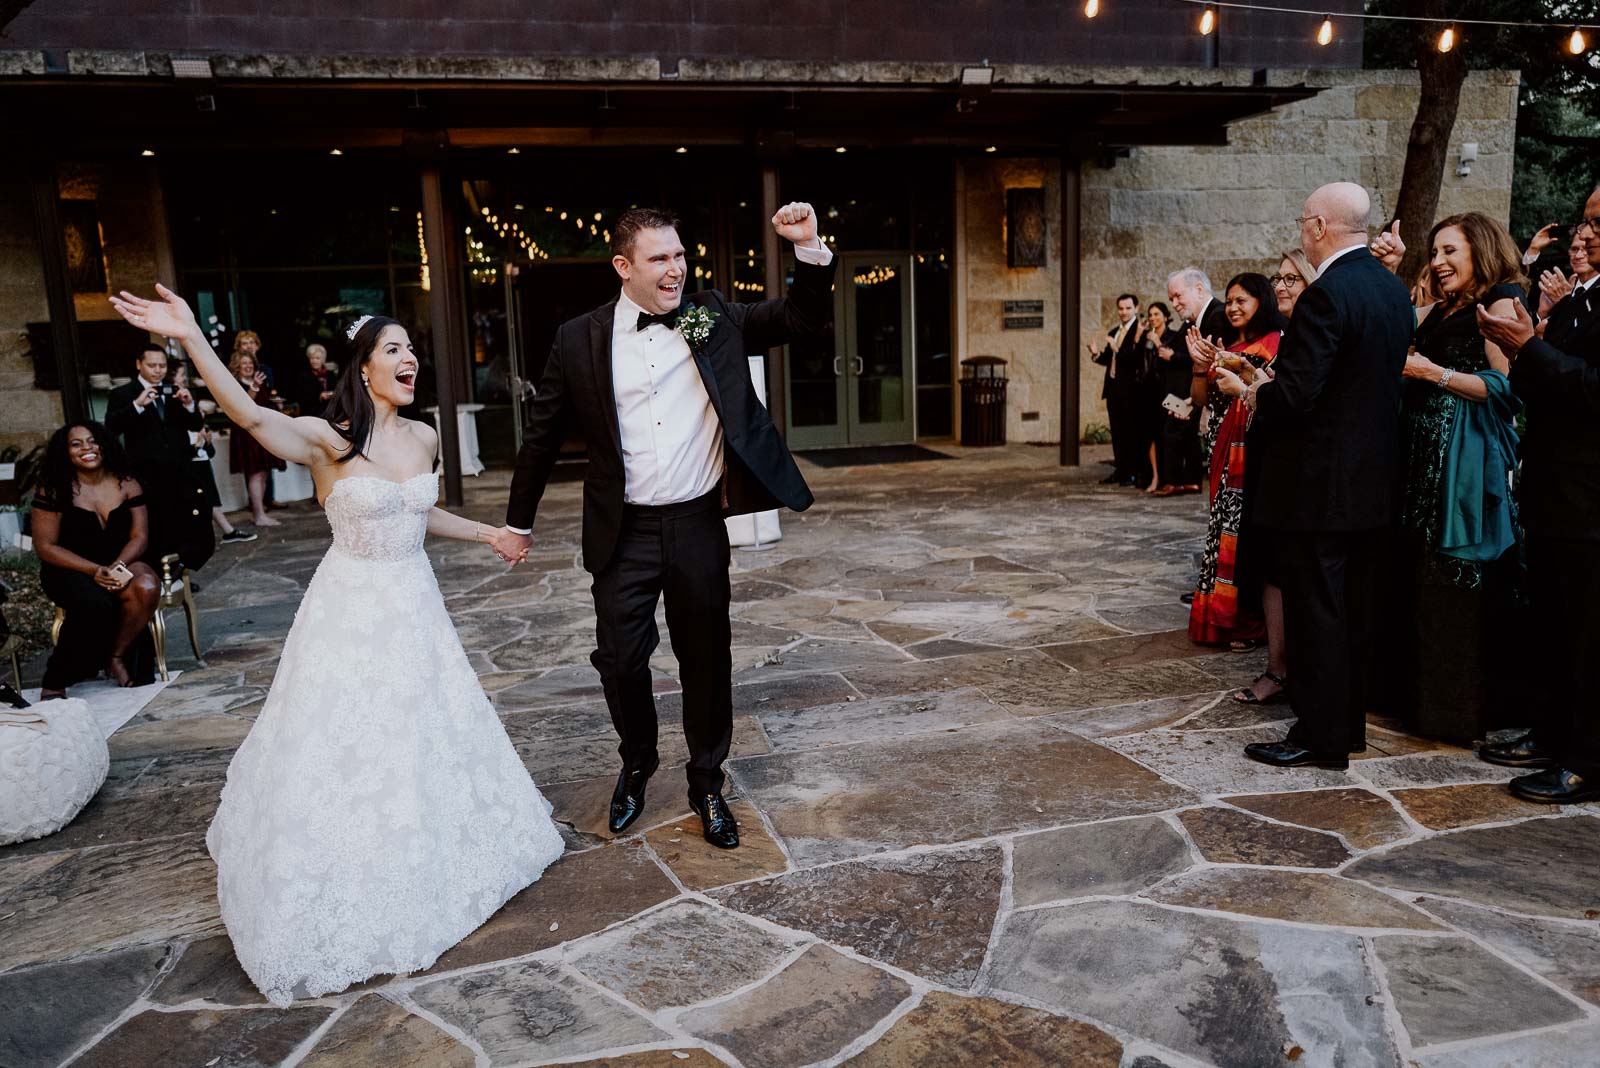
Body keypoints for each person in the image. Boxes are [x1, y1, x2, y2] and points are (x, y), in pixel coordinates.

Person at [108, 285, 564, 1005]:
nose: (410, 358)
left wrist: (489, 534)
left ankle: (430, 853)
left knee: (422, 733)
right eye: (394, 349)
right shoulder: (328, 438)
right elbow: (249, 414)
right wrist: (191, 338)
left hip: (414, 603)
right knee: (342, 741)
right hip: (349, 608)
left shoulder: (424, 437)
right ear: (365, 366)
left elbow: (423, 513)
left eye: (412, 349)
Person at [490, 203, 832, 850]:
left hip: (698, 522)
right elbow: (540, 438)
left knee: (706, 659)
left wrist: (808, 247)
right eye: (659, 259)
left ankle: (707, 781)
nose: (675, 269)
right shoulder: (577, 339)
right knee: (619, 660)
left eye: (679, 255)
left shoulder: (712, 316)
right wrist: (518, 523)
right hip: (623, 531)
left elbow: (801, 317)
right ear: (624, 267)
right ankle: (638, 759)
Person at [1242, 182, 1413, 770]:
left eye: (1301, 223)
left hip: (1317, 488)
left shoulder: (1325, 296)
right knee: (1355, 613)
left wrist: (1260, 389)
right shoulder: (1392, 290)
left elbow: (1296, 395)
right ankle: (1347, 727)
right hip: (1373, 481)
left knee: (1317, 614)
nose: (1300, 234)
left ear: (1317, 226)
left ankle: (1320, 736)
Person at [1368, 213, 1527, 744]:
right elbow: (1390, 320)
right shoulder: (1442, 308)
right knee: (1416, 574)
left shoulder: (1500, 301)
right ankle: (1410, 700)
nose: (1437, 262)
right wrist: (1388, 270)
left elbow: (1504, 389)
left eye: (1449, 251)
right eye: (1433, 252)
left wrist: (1428, 373)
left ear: (1479, 251)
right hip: (1418, 461)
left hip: (1460, 465)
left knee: (1453, 580)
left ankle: (1454, 711)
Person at [1475, 183, 1600, 803]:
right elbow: (1543, 384)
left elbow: (1592, 388)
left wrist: (1531, 347)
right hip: (1553, 487)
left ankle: (1588, 758)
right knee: (1553, 623)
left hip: (1592, 496)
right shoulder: (1581, 299)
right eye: (1586, 220)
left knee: (1588, 634)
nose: (1588, 233)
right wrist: (1523, 346)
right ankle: (1552, 733)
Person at [1232, 250, 1317, 705]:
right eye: (1279, 278)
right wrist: (1252, 375)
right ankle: (1278, 666)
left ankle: (1285, 670)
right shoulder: (1291, 336)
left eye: (1293, 279)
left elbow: (1293, 398)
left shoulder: (1307, 333)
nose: (1282, 287)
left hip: (1298, 466)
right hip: (1272, 462)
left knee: (1286, 570)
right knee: (1271, 568)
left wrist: (1249, 387)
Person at [1188, 273, 1286, 649]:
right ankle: (1221, 617)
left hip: (1253, 451)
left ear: (1262, 302)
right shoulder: (1231, 345)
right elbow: (1202, 399)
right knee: (1222, 531)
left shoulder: (1274, 344)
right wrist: (1200, 366)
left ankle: (1247, 621)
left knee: (1243, 537)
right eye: (1228, 301)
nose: (1232, 308)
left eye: (1241, 300)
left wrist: (1242, 379)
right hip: (1223, 449)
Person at [30, 423, 160, 696]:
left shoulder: (126, 483)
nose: (86, 448)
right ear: (65, 452)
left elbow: (140, 536)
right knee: (94, 604)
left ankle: (116, 656)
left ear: (104, 444)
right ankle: (55, 680)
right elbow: (45, 547)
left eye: (92, 441)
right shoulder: (54, 490)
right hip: (70, 567)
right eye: (76, 444)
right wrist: (94, 570)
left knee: (147, 586)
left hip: (119, 561)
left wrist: (116, 566)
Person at [104, 343, 215, 572]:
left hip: (179, 470)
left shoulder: (172, 390)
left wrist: (189, 404)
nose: (158, 370)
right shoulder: (123, 393)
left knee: (182, 524)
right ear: (139, 364)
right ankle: (158, 572)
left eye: (162, 365)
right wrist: (137, 405)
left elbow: (194, 425)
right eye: (152, 365)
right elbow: (111, 427)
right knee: (155, 525)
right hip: (147, 473)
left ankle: (179, 573)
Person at [1157, 269, 1237, 498]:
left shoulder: (1218, 318)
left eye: (1178, 296)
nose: (1174, 303)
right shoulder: (1200, 321)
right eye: (1171, 298)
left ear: (1199, 290)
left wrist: (1196, 402)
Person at [170, 361, 255, 545]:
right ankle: (226, 531)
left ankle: (226, 531)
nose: (184, 378)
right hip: (189, 457)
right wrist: (196, 445)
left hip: (199, 455)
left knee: (209, 495)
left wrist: (203, 441)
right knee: (204, 497)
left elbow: (196, 425)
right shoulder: (172, 403)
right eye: (181, 375)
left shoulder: (185, 398)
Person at [1088, 294, 1148, 487]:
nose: (1124, 312)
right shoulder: (1115, 331)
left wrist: (1117, 350)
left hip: (1131, 391)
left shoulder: (1141, 331)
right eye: (1121, 308)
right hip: (1113, 389)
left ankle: (1132, 472)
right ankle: (1120, 470)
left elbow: (1134, 360)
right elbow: (1108, 359)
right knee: (1117, 432)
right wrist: (1096, 354)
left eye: (1128, 308)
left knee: (1131, 432)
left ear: (1136, 309)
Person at [227, 350, 287, 528]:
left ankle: (259, 512)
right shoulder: (234, 384)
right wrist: (253, 387)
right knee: (254, 473)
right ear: (238, 366)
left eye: (250, 364)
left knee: (263, 473)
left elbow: (264, 402)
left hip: (261, 430)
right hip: (246, 433)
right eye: (244, 363)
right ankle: (259, 514)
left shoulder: (261, 381)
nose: (248, 366)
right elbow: (242, 406)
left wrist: (277, 403)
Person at [1133, 301, 1182, 494]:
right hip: (1148, 392)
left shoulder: (1173, 336)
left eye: (1156, 314)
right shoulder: (1146, 336)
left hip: (1166, 390)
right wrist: (1139, 337)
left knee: (1165, 435)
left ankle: (1167, 477)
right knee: (1150, 435)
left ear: (1165, 316)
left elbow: (1172, 362)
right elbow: (1138, 361)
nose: (1153, 318)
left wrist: (1158, 343)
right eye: (1150, 315)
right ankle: (1154, 476)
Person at [293, 343, 339, 419]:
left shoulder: (330, 375)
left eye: (317, 358)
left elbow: (336, 390)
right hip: (310, 414)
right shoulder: (304, 376)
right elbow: (300, 397)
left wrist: (332, 394)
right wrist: (319, 396)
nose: (314, 361)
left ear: (323, 359)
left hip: (329, 413)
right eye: (312, 358)